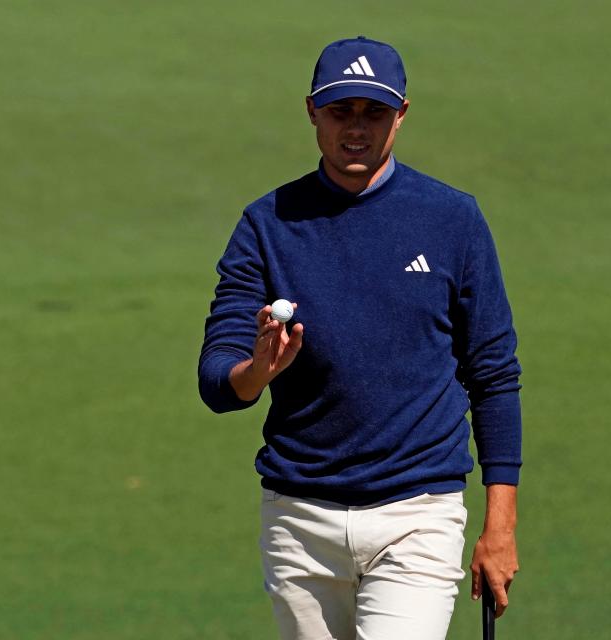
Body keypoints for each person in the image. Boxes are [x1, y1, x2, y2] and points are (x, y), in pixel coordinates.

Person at [198, 35, 521, 640]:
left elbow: (494, 375)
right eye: (340, 111)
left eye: (373, 113)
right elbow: (218, 378)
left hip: (418, 516)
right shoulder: (266, 225)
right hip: (300, 521)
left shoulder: (453, 220)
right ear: (311, 111)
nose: (356, 129)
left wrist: (499, 527)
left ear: (400, 115)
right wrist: (257, 372)